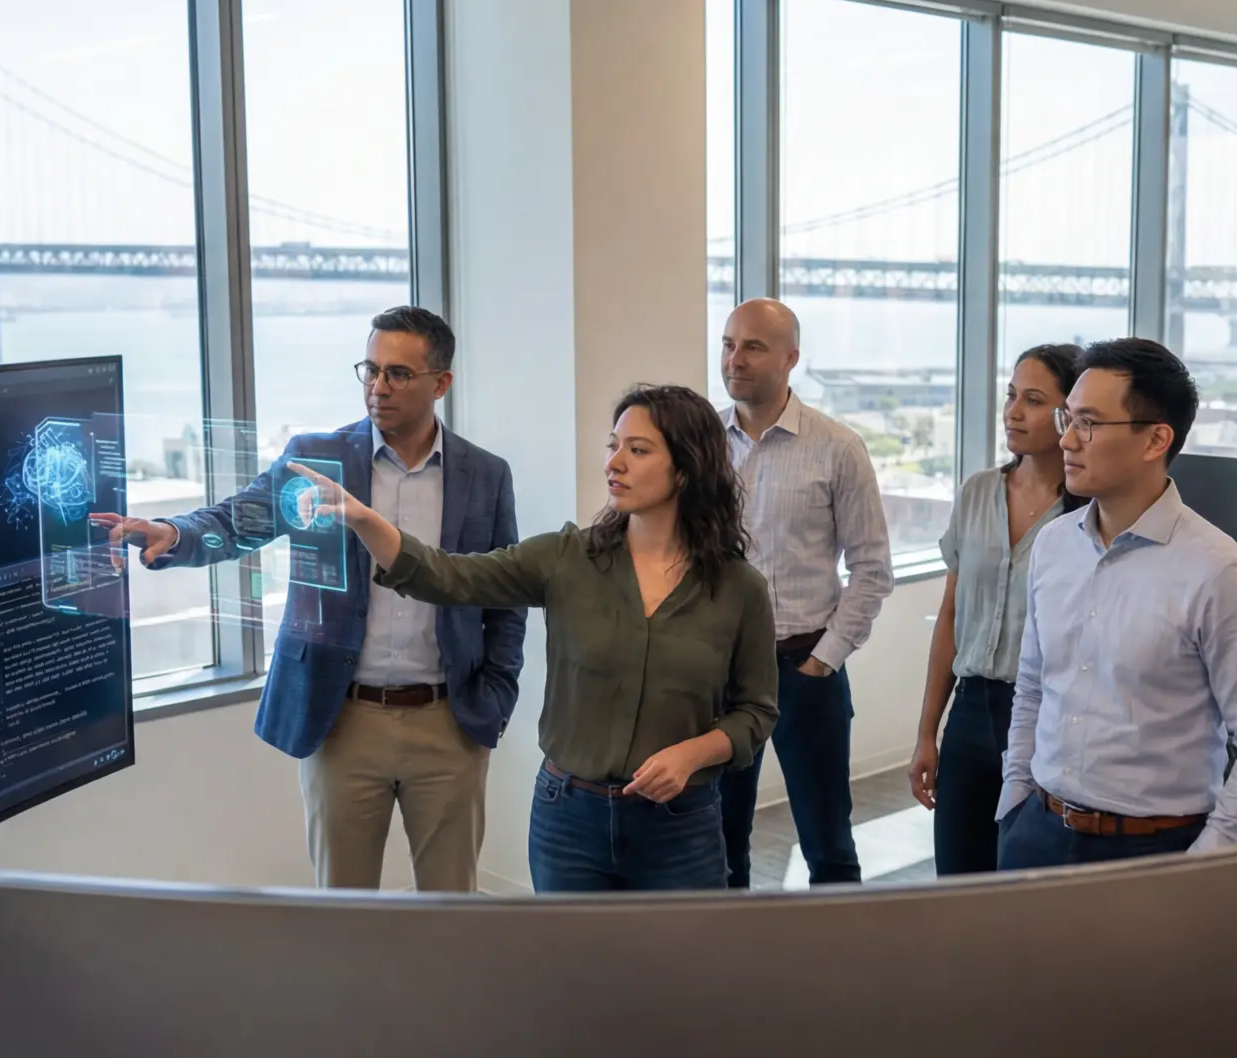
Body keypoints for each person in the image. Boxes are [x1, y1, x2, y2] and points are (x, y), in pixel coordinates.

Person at [94, 306, 524, 893]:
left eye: (398, 374)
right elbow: (237, 520)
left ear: (441, 383)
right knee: (340, 913)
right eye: (369, 370)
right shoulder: (318, 458)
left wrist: (495, 698)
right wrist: (173, 534)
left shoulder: (486, 475)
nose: (378, 388)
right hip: (341, 719)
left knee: (451, 911)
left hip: (449, 723)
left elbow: (505, 597)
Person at [313, 384, 778, 893]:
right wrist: (364, 520)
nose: (614, 463)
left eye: (638, 450)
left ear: (687, 468)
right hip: (568, 822)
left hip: (680, 826)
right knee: (565, 970)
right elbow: (447, 576)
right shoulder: (566, 558)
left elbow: (755, 711)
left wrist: (693, 754)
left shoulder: (739, 589)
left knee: (676, 972)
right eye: (613, 445)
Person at [998, 338, 1237, 869]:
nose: (1066, 439)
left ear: (1156, 439)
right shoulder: (1054, 544)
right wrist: (1015, 799)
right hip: (1037, 829)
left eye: (1088, 422)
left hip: (1152, 850)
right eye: (1068, 417)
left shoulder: (1219, 573)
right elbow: (1033, 687)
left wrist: (1204, 863)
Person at [714, 298, 893, 888]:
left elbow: (871, 567)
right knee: (718, 839)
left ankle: (839, 972)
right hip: (716, 675)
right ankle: (727, 969)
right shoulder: (700, 445)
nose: (735, 359)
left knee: (828, 843)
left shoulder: (838, 448)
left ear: (791, 359)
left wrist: (824, 660)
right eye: (728, 344)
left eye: (753, 347)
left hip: (804, 668)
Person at [909, 343, 1085, 875]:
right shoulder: (978, 492)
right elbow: (951, 621)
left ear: (1069, 415)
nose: (1013, 411)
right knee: (958, 876)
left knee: (1024, 873)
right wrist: (926, 733)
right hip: (970, 713)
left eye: (1033, 400)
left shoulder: (1088, 514)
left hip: (1043, 715)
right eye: (1011, 395)